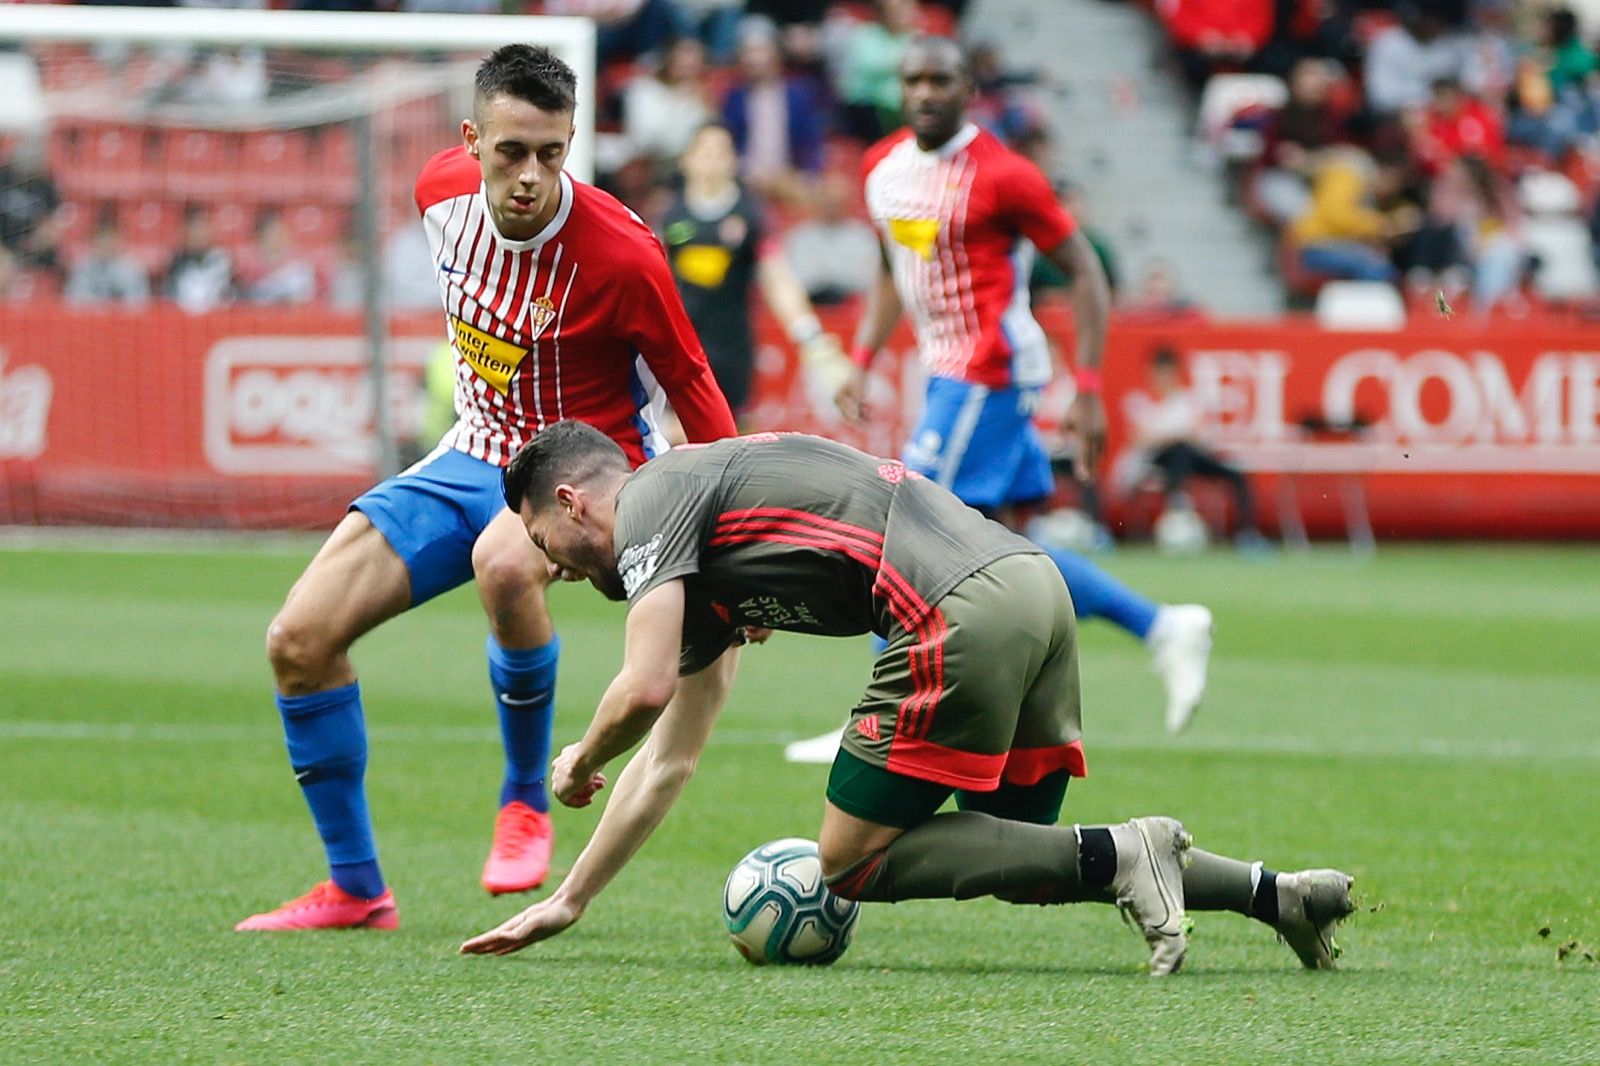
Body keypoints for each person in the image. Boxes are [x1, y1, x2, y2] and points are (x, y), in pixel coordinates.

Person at [461, 424, 1355, 975]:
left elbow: (643, 690)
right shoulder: (701, 561)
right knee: (1032, 853)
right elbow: (669, 760)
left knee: (848, 862)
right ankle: (1275, 896)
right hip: (1034, 590)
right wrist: (571, 898)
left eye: (544, 543)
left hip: (952, 612)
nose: (552, 571)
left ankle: (1134, 851)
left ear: (573, 504)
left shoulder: (657, 498)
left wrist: (578, 757)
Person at [235, 44, 738, 932]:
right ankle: (357, 888)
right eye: (511, 152)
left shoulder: (624, 255)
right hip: (473, 452)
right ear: (471, 142)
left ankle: (526, 802)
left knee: (504, 564)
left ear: (573, 143)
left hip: (590, 465)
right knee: (297, 639)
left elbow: (694, 389)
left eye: (552, 153)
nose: (530, 176)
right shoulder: (437, 196)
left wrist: (735, 543)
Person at [821, 37, 1215, 744]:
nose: (925, 92)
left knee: (906, 526)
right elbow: (893, 269)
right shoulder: (882, 169)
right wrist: (862, 355)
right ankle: (1162, 625)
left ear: (969, 89)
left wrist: (1090, 386)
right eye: (913, 80)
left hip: (989, 370)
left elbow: (1086, 272)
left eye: (940, 79)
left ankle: (875, 718)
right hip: (947, 372)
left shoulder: (1003, 175)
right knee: (1004, 548)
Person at [661, 121, 846, 424]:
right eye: (704, 152)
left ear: (733, 161)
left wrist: (810, 337)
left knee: (735, 434)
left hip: (734, 346)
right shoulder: (671, 217)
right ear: (687, 160)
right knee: (677, 435)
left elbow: (777, 278)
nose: (711, 160)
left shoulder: (750, 216)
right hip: (684, 348)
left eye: (720, 152)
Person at [1126, 347, 1268, 549]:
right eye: (1158, 373)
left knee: (1235, 473)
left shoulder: (1190, 401)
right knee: (1178, 450)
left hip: (1195, 458)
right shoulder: (1143, 405)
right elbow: (1140, 441)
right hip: (1159, 463)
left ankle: (1247, 534)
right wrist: (1174, 436)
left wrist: (1167, 436)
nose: (1162, 379)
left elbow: (1200, 436)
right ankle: (1178, 509)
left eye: (1167, 373)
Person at [63, 208, 150, 306]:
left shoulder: (133, 269)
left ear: (120, 240)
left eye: (111, 238)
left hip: (124, 320)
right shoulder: (82, 267)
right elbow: (73, 303)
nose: (107, 244)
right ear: (93, 241)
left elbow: (140, 306)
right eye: (102, 238)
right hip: (89, 319)